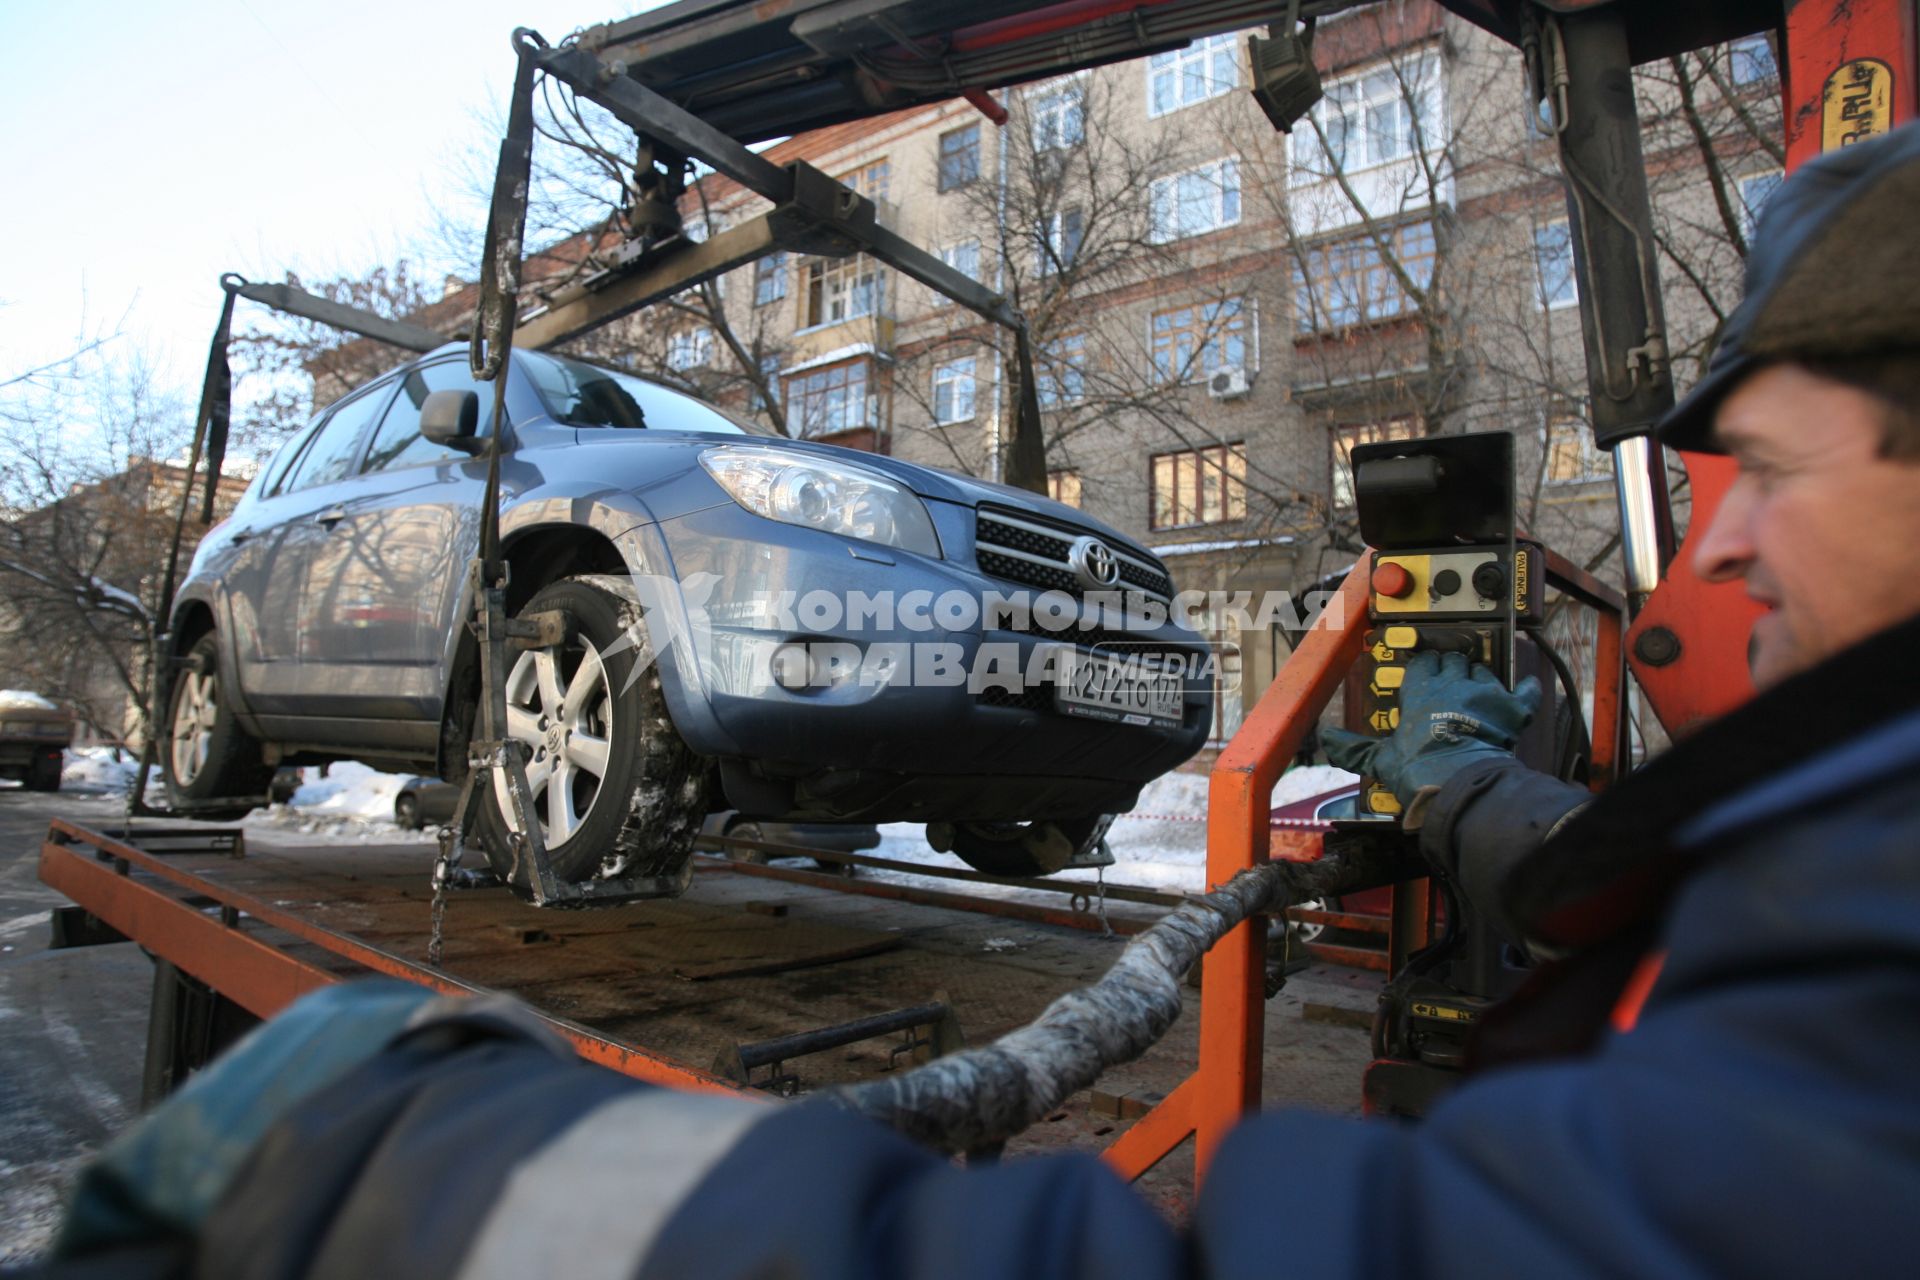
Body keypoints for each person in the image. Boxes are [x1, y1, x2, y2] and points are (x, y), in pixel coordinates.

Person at [34, 126, 1920, 1280]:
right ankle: (554, 797)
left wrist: (425, 1178)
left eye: (1778, 465)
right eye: (1719, 470)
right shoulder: (457, 456)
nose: (1728, 542)